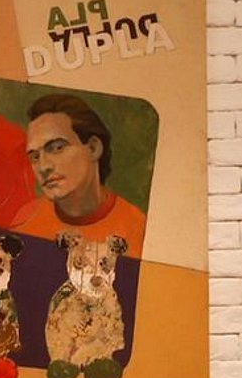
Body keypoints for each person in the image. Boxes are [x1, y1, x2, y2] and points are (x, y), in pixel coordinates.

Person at [12, 92, 147, 259]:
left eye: (57, 147)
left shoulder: (138, 230)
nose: (44, 166)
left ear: (93, 148)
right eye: (35, 157)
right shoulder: (25, 223)